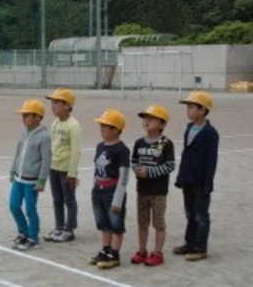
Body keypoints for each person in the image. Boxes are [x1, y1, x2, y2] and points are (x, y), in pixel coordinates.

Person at [173, 91, 219, 261]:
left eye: (192, 107)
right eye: (188, 107)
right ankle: (189, 243)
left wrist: (208, 184)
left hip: (200, 181)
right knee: (190, 213)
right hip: (187, 178)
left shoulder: (210, 133)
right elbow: (186, 155)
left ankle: (200, 247)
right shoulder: (189, 128)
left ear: (202, 110)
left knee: (201, 215)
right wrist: (180, 177)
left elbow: (211, 161)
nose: (188, 110)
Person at [130, 105, 176, 267]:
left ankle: (157, 252)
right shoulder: (139, 142)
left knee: (158, 223)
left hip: (158, 191)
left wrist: (149, 172)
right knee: (142, 222)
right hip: (142, 190)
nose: (147, 121)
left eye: (152, 118)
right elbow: (134, 161)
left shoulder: (166, 144)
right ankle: (142, 250)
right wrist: (136, 170)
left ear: (162, 124)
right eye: (145, 118)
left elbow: (170, 166)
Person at [88, 109, 130, 269]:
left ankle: (114, 253)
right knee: (103, 223)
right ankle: (105, 249)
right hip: (98, 189)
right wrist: (94, 187)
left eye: (106, 126)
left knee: (116, 224)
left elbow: (124, 176)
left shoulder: (122, 149)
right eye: (101, 126)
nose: (102, 129)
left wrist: (118, 198)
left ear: (116, 130)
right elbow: (96, 168)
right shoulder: (100, 146)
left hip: (112, 191)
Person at [9, 100, 52, 251]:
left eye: (26, 115)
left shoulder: (44, 137)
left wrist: (41, 180)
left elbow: (46, 160)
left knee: (30, 210)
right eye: (23, 115)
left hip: (32, 182)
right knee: (14, 206)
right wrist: (13, 170)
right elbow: (18, 153)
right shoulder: (23, 134)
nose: (23, 118)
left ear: (38, 117)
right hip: (18, 179)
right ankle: (23, 232)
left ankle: (33, 237)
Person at [43, 88, 82, 243]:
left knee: (69, 200)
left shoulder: (74, 125)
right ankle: (59, 226)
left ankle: (69, 229)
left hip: (66, 169)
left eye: (56, 103)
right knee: (57, 199)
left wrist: (72, 173)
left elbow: (75, 150)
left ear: (67, 105)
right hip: (54, 167)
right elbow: (53, 146)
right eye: (52, 103)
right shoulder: (54, 124)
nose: (53, 106)